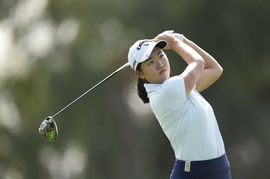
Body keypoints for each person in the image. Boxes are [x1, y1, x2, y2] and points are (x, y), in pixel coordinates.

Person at [127, 31, 232, 179]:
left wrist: (184, 40)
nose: (159, 63)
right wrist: (176, 43)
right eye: (150, 62)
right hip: (195, 174)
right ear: (140, 74)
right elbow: (198, 63)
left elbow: (215, 69)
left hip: (220, 169)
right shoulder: (166, 92)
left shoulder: (179, 86)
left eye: (161, 55)